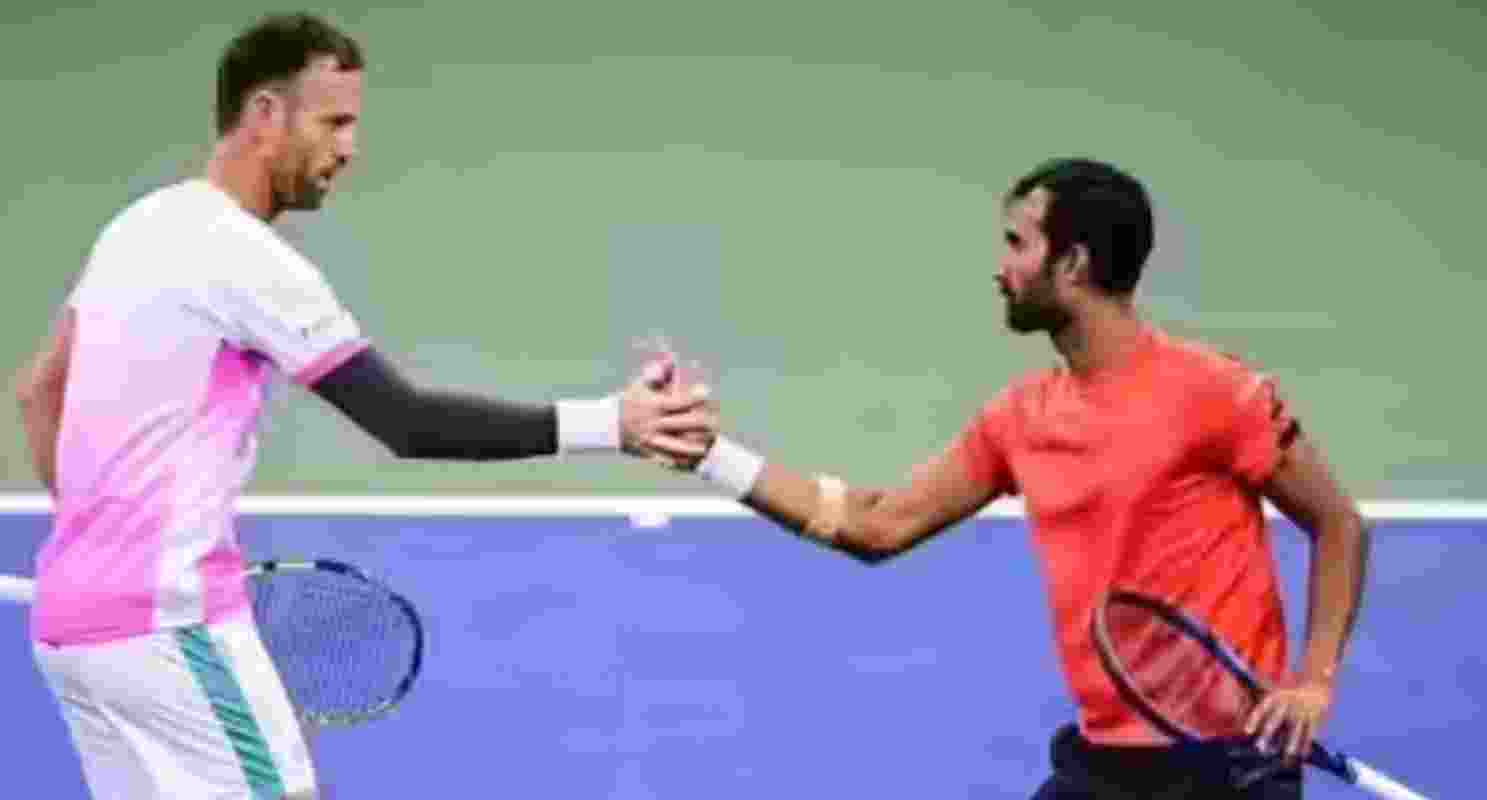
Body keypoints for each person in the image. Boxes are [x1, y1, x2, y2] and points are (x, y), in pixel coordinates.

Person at [11, 13, 711, 800]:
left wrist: (99, 543)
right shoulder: (246, 260)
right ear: (267, 114)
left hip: (72, 630)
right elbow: (405, 422)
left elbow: (40, 390)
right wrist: (609, 424)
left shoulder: (140, 226)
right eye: (334, 121)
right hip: (172, 626)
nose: (349, 148)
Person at [670, 158, 1370, 798]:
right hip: (1104, 763)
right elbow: (877, 523)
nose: (1000, 266)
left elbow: (1338, 523)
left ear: (1071, 262)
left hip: (1227, 765)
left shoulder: (1216, 392)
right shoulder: (1020, 417)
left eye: (1016, 243)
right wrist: (710, 454)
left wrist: (1313, 681)